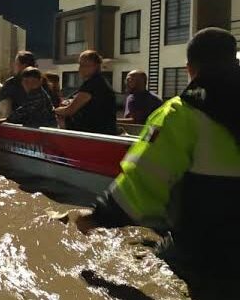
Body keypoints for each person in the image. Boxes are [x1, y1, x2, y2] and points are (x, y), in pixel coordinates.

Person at [74, 28, 240, 294]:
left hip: (209, 252)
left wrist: (98, 215)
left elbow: (144, 181)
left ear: (189, 69)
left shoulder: (181, 113)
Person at [54, 50, 117, 135]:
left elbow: (70, 110)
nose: (81, 68)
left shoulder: (93, 84)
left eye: (86, 65)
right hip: (100, 132)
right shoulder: (98, 82)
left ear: (96, 66)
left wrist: (54, 111)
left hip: (95, 133)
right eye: (80, 65)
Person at [0, 51, 37, 117]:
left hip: (17, 121)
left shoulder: (13, 83)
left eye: (16, 63)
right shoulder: (42, 81)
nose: (14, 65)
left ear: (24, 65)